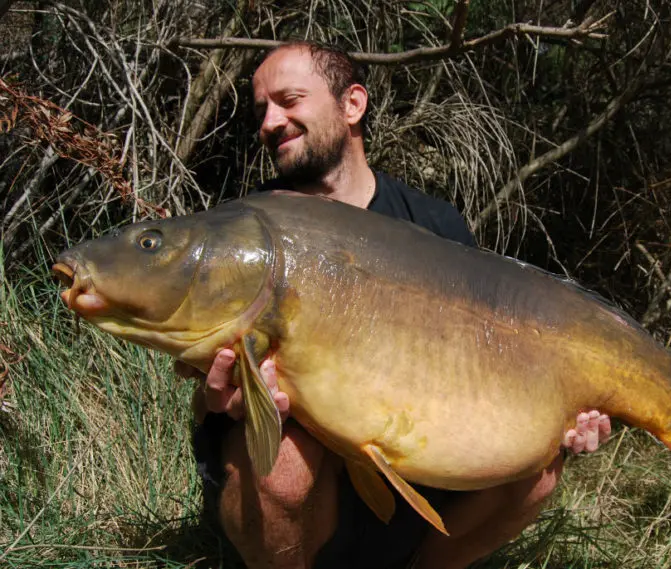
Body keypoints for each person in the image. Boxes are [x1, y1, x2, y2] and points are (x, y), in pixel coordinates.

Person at [178, 41, 612, 569]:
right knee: (283, 467)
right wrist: (222, 399)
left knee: (539, 469)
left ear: (352, 104)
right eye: (261, 110)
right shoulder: (246, 232)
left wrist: (564, 416)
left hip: (413, 471)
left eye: (288, 100)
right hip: (303, 503)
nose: (271, 121)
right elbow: (201, 397)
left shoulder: (435, 225)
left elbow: (489, 360)